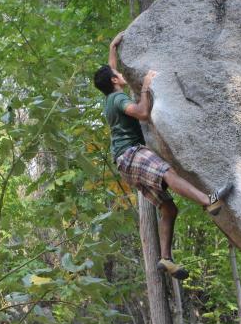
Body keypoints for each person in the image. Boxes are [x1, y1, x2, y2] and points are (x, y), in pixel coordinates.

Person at [93, 31, 233, 280]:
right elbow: (141, 112)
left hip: (125, 164)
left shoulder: (109, 96)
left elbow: (110, 70)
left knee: (168, 208)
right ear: (114, 81)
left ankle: (165, 259)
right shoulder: (117, 99)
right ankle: (207, 200)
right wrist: (146, 85)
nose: (122, 75)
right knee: (167, 172)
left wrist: (113, 47)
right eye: (118, 74)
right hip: (131, 154)